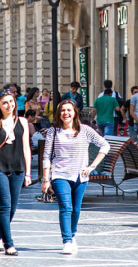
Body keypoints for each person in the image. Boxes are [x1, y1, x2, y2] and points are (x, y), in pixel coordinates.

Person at [41, 99, 111, 255]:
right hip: (60, 174)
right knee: (66, 207)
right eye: (62, 110)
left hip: (80, 176)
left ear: (75, 113)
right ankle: (66, 241)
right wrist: (46, 179)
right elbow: (46, 156)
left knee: (76, 209)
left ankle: (72, 235)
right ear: (59, 113)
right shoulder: (54, 131)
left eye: (69, 110)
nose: (66, 113)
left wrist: (92, 166)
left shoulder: (85, 130)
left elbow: (105, 145)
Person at [0, 91, 31, 256]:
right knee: (4, 205)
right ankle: (9, 244)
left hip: (17, 168)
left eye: (11, 101)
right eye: (5, 102)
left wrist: (28, 173)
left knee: (12, 208)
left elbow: (26, 148)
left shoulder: (22, 121)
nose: (9, 105)